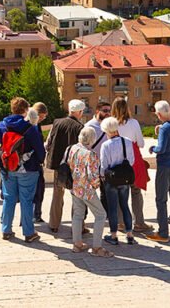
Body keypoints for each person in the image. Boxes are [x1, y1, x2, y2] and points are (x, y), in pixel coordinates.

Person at [0, 97, 45, 243]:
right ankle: (28, 232)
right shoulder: (30, 127)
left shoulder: (2, 125)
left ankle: (6, 230)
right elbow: (40, 150)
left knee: (9, 198)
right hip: (28, 169)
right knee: (26, 200)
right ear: (26, 110)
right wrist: (38, 161)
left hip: (8, 169)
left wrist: (2, 159)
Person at [67, 127, 112, 257]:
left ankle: (77, 244)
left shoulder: (73, 148)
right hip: (87, 189)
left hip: (75, 186)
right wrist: (96, 185)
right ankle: (97, 247)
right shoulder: (90, 154)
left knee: (77, 215)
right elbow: (93, 176)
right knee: (101, 215)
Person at [44, 99, 86, 234]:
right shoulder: (81, 127)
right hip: (75, 167)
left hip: (59, 165)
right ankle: (78, 226)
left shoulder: (57, 123)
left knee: (57, 194)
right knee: (77, 197)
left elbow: (49, 142)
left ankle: (54, 224)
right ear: (79, 112)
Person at [146, 100, 170, 243]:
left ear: (159, 113)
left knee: (161, 200)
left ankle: (163, 233)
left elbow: (161, 148)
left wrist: (152, 148)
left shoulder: (164, 128)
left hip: (165, 167)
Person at [113, 97, 151, 233]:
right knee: (136, 192)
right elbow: (141, 143)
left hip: (118, 161)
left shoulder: (111, 123)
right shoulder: (134, 123)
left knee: (120, 193)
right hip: (134, 161)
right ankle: (139, 222)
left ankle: (121, 223)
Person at [99, 116, 136, 246]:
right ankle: (130, 234)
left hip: (112, 179)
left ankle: (113, 235)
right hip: (125, 177)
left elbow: (104, 165)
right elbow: (131, 161)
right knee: (125, 205)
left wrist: (102, 176)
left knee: (113, 207)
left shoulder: (106, 145)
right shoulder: (127, 141)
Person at [30, 102, 49, 223]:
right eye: (43, 116)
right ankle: (33, 216)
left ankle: (35, 215)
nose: (43, 119)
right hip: (34, 164)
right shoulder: (33, 126)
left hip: (34, 164)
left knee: (38, 191)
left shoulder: (35, 125)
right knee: (35, 191)